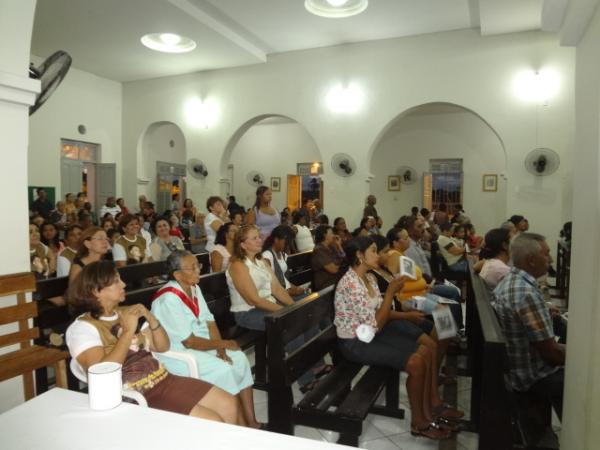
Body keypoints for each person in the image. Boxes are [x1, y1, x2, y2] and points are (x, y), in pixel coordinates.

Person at [65, 260, 241, 424]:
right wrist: (127, 333)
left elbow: (163, 346)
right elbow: (101, 375)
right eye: (116, 281)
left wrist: (151, 318)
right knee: (212, 421)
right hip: (136, 393)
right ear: (96, 291)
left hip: (162, 378)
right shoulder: (83, 328)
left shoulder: (126, 312)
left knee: (229, 403)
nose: (124, 285)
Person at [334, 237, 461, 440]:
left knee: (427, 351)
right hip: (356, 342)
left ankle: (430, 411)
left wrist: (392, 296)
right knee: (416, 363)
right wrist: (391, 293)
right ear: (359, 255)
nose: (378, 255)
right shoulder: (350, 284)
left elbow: (380, 317)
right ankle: (420, 423)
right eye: (374, 251)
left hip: (375, 331)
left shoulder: (370, 278)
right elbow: (373, 325)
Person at [151, 251, 263, 429]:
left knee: (239, 359)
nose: (198, 271)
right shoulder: (168, 299)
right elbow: (188, 341)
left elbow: (209, 320)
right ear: (177, 275)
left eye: (198, 265)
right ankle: (240, 427)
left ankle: (251, 421)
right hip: (179, 352)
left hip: (203, 345)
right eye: (193, 268)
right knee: (223, 369)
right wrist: (223, 344)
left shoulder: (193, 287)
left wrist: (221, 350)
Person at [226, 225, 321, 391]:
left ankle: (316, 365)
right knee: (290, 325)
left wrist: (294, 306)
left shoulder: (261, 261)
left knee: (306, 313)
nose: (260, 240)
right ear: (242, 244)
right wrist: (284, 311)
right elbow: (253, 299)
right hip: (247, 312)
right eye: (254, 238)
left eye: (259, 236)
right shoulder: (237, 265)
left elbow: (277, 289)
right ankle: (305, 380)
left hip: (267, 306)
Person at [493, 233, 565, 420]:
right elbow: (552, 355)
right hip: (531, 377)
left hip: (516, 368)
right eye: (546, 254)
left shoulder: (510, 281)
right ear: (531, 260)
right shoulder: (527, 294)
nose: (550, 259)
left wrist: (544, 311)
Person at [384, 227, 464, 330]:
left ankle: (452, 334)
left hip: (420, 293)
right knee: (442, 312)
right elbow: (394, 283)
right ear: (395, 243)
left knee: (451, 304)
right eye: (405, 238)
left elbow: (410, 279)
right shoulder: (394, 256)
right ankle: (445, 340)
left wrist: (424, 285)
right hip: (409, 299)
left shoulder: (402, 255)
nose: (409, 240)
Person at [261, 225, 309, 298]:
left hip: (285, 292)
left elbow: (284, 280)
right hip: (277, 296)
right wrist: (293, 291)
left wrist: (297, 289)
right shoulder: (267, 256)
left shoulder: (282, 254)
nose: (288, 245)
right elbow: (271, 286)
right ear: (276, 240)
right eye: (286, 242)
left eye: (289, 242)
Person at [311, 225, 345, 291]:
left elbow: (344, 258)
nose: (334, 235)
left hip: (336, 279)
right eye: (332, 233)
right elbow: (334, 270)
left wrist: (339, 245)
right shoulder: (319, 250)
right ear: (325, 235)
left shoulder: (331, 247)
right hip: (326, 283)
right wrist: (341, 264)